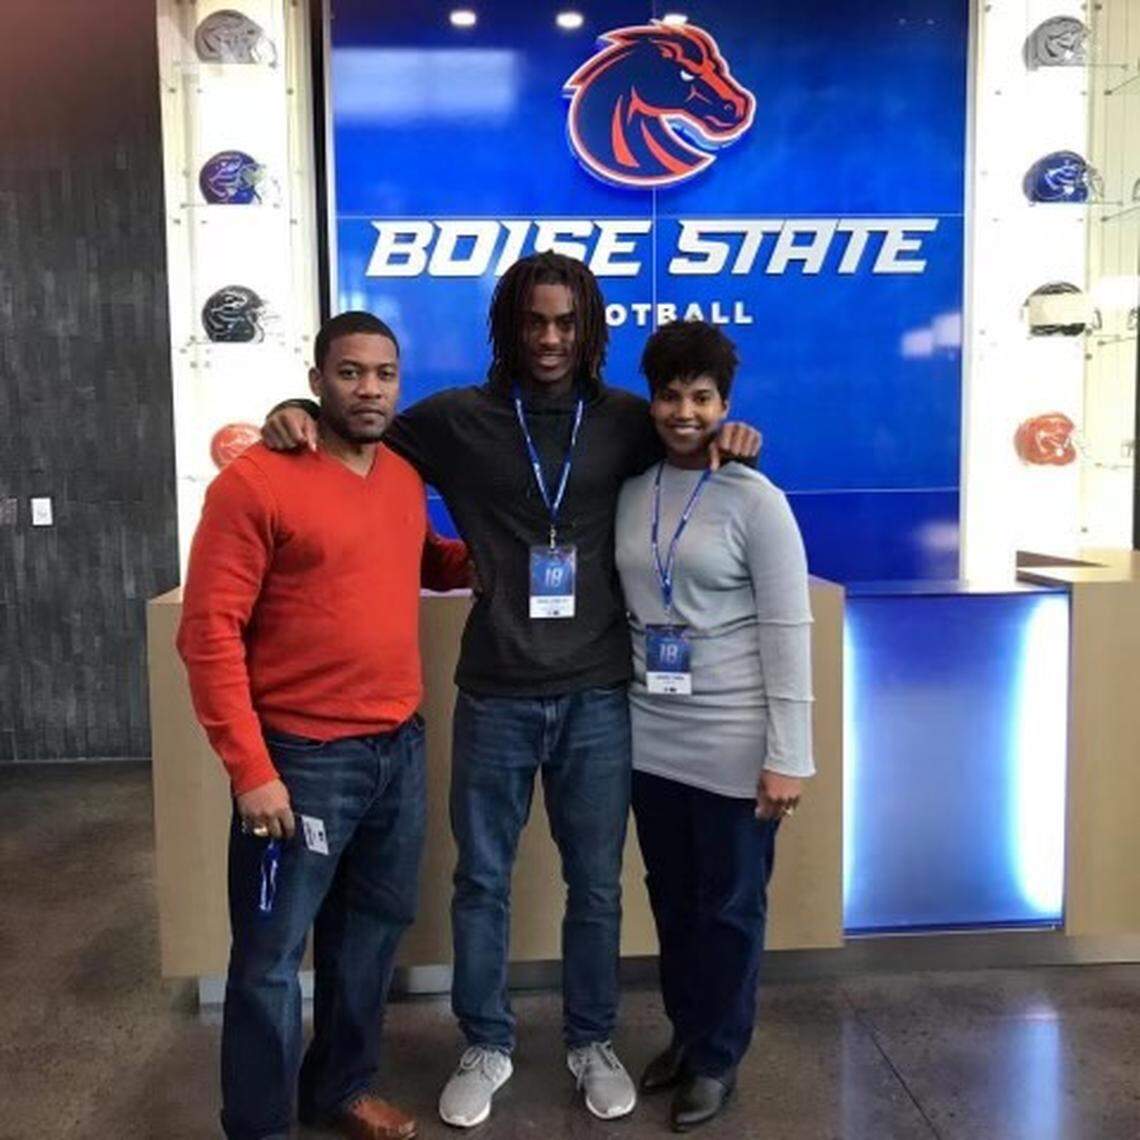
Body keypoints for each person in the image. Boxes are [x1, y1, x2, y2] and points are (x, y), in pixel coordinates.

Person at [261, 252, 760, 1128]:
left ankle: (590, 1039)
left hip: (600, 693)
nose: (551, 338)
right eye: (534, 321)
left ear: (590, 327)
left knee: (596, 885)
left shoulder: (630, 421)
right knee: (481, 882)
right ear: (509, 326)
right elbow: (357, 432)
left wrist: (736, 436)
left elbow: (697, 441)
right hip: (493, 691)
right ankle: (486, 1042)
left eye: (567, 322)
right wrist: (296, 411)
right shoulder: (457, 419)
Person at [177, 311, 470, 1140]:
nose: (368, 389)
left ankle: (339, 1089)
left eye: (383, 374)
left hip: (397, 753)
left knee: (368, 942)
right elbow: (206, 634)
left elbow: (422, 559)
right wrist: (250, 768)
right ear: (317, 379)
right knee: (270, 963)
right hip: (301, 762)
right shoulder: (258, 481)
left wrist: (487, 559)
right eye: (350, 372)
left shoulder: (404, 478)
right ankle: (261, 1125)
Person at [614, 320, 813, 1132]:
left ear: (725, 404)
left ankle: (719, 1057)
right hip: (651, 736)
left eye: (702, 397)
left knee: (730, 906)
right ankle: (688, 1035)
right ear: (652, 402)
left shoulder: (756, 498)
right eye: (670, 395)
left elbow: (788, 627)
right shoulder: (633, 489)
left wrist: (789, 756)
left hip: (735, 739)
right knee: (672, 901)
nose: (684, 410)